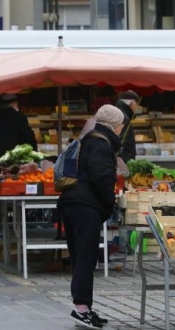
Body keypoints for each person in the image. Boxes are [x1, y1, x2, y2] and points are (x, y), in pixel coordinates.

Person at [57, 104, 124, 329]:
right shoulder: (101, 143)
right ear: (116, 125)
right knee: (86, 257)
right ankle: (81, 309)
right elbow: (101, 177)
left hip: (72, 202)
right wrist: (110, 203)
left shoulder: (89, 138)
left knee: (80, 257)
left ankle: (84, 307)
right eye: (121, 125)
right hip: (85, 206)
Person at [80, 90, 139, 164]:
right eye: (137, 104)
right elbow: (119, 142)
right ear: (132, 104)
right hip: (119, 162)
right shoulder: (122, 118)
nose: (137, 107)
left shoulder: (116, 115)